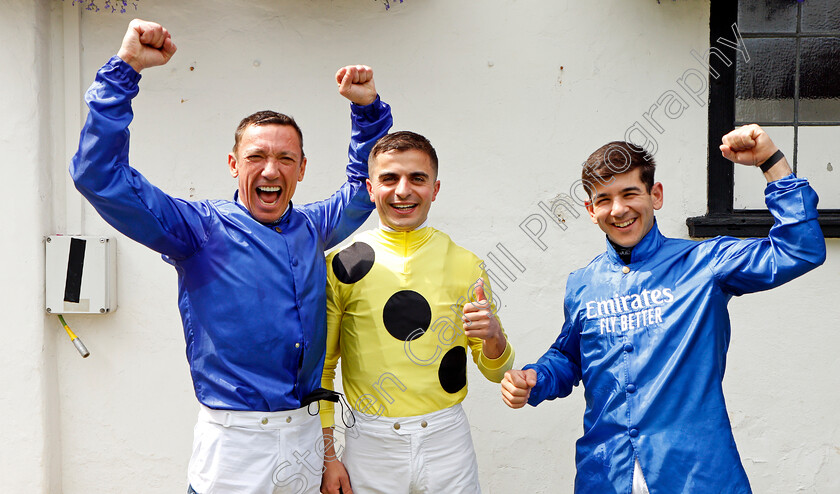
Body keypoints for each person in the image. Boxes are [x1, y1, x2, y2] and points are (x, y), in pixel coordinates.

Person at [70, 19, 393, 494]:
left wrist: (368, 112)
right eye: (257, 156)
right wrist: (125, 70)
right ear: (233, 164)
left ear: (302, 169)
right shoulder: (197, 228)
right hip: (234, 450)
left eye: (285, 159)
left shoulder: (311, 227)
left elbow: (362, 191)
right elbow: (99, 177)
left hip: (304, 437)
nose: (270, 169)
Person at [501, 124, 826, 494]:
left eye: (629, 193)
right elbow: (570, 357)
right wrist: (534, 378)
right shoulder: (583, 283)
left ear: (655, 194)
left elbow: (800, 249)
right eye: (604, 199)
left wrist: (771, 162)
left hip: (695, 475)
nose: (618, 209)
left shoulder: (705, 263)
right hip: (605, 474)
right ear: (591, 210)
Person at [318, 131, 514, 494]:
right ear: (371, 187)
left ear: (435, 188)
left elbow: (496, 369)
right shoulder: (341, 265)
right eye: (390, 178)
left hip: (447, 442)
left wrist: (493, 337)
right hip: (369, 444)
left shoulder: (465, 264)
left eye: (417, 178)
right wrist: (328, 458)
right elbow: (323, 368)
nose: (403, 190)